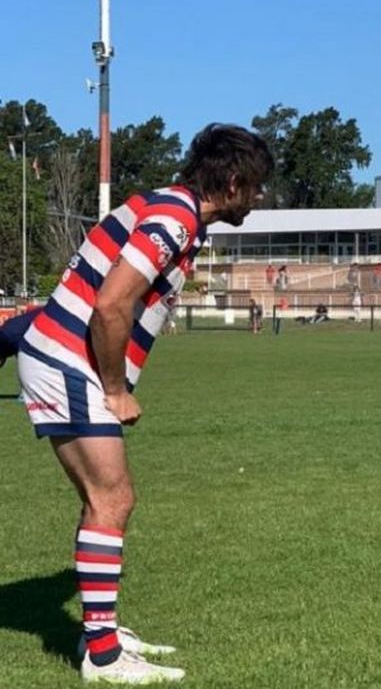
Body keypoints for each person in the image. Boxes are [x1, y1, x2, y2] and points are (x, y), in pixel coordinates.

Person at [15, 123, 272, 684]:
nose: (258, 199)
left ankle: (100, 635)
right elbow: (111, 305)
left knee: (106, 499)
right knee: (114, 498)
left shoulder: (168, 209)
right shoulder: (173, 219)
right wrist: (114, 389)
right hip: (71, 366)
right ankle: (103, 658)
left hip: (59, 357)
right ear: (232, 183)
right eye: (255, 188)